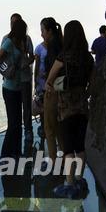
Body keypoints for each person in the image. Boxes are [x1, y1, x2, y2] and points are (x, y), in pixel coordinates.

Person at [46, 20, 94, 198]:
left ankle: (69, 183)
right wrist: (83, 93)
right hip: (82, 107)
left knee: (67, 148)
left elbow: (50, 80)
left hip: (65, 108)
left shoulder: (63, 57)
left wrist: (55, 90)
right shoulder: (88, 58)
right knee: (80, 146)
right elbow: (92, 84)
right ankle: (80, 180)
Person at [0, 17, 30, 160]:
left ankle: (16, 152)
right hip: (9, 89)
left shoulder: (20, 42)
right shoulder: (9, 43)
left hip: (17, 87)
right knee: (13, 123)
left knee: (17, 123)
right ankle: (5, 155)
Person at [34, 18, 63, 164]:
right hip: (61, 91)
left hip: (52, 91)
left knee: (49, 127)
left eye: (43, 31)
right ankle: (64, 158)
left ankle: (53, 160)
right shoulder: (60, 45)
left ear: (49, 31)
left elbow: (55, 69)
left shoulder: (52, 48)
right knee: (58, 127)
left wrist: (46, 81)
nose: (41, 34)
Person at [2, 13, 34, 142]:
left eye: (15, 23)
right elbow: (1, 58)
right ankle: (18, 137)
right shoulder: (7, 39)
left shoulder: (27, 39)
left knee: (26, 106)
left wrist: (26, 61)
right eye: (12, 22)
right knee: (15, 113)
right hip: (12, 80)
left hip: (25, 78)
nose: (13, 25)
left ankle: (27, 130)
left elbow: (31, 56)